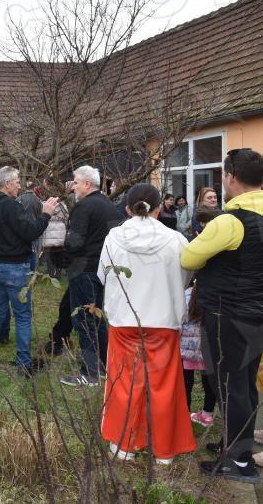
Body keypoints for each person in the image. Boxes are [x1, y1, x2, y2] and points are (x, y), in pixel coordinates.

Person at [182, 148, 263, 483]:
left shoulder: (230, 221)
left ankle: (240, 462)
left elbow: (189, 257)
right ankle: (236, 445)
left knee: (230, 384)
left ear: (230, 176)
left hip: (227, 314)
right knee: (245, 382)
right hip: (256, 314)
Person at [98, 183, 195, 464]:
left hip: (125, 319)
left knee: (124, 382)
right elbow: (187, 273)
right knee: (163, 385)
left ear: (127, 208)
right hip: (163, 319)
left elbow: (104, 274)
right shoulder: (175, 239)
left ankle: (124, 445)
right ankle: (164, 450)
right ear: (158, 208)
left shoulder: (114, 237)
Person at [0, 166, 57, 375]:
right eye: (17, 182)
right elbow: (30, 232)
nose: (19, 186)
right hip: (14, 266)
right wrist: (46, 214)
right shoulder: (11, 206)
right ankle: (24, 364)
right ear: (7, 184)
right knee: (22, 315)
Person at [61, 165, 123, 387]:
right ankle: (105, 365)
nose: (73, 187)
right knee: (97, 318)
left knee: (84, 321)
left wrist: (64, 243)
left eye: (76, 182)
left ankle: (90, 373)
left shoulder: (84, 206)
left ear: (87, 184)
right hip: (102, 269)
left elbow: (74, 242)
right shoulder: (109, 205)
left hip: (83, 268)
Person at [180, 284, 216, 428]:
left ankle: (184, 415)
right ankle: (207, 415)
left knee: (186, 383)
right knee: (209, 383)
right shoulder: (215, 295)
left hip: (187, 350)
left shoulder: (185, 296)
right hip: (208, 351)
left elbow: (180, 320)